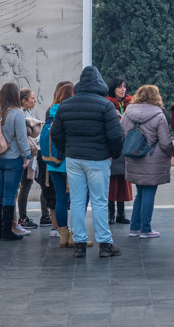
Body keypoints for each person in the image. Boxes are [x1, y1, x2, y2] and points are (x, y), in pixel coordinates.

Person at [50, 66, 124, 258]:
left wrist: (67, 150)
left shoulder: (66, 105)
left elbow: (56, 133)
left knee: (76, 201)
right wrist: (113, 154)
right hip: (98, 159)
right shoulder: (105, 105)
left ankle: (79, 243)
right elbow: (116, 136)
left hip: (74, 159)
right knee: (99, 201)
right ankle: (105, 244)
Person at [121, 84, 173, 238]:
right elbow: (165, 142)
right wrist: (171, 152)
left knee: (140, 193)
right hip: (152, 158)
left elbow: (122, 133)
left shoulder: (127, 113)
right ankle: (146, 229)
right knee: (149, 193)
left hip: (133, 156)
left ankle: (134, 228)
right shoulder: (159, 115)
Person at [0, 81, 31, 241]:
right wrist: (27, 156)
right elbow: (21, 139)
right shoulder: (17, 114)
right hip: (12, 160)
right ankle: (6, 230)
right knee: (9, 194)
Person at [43, 81, 76, 248]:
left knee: (60, 199)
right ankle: (76, 236)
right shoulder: (71, 111)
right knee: (77, 200)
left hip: (52, 163)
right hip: (69, 162)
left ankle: (63, 235)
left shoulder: (50, 111)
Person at [16, 87, 45, 231]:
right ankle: (23, 218)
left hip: (28, 155)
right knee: (26, 186)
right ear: (24, 100)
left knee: (25, 186)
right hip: (25, 156)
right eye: (32, 98)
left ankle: (23, 217)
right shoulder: (21, 114)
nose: (35, 100)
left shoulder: (26, 113)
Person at [106, 77, 133, 225]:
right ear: (113, 88)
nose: (123, 89)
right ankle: (110, 214)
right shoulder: (107, 104)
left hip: (127, 147)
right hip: (112, 148)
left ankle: (121, 214)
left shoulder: (131, 103)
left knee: (123, 181)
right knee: (111, 182)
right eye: (119, 87)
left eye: (124, 86)